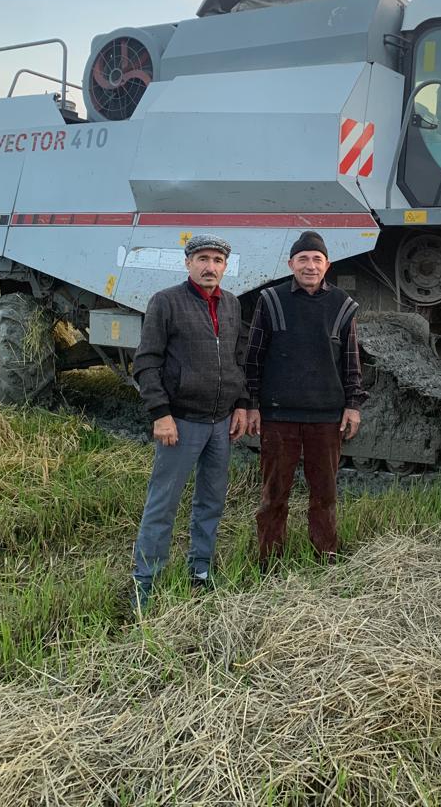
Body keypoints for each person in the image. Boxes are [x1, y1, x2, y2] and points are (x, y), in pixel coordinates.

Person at [131, 234, 248, 608]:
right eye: (202, 259)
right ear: (188, 263)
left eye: (217, 260)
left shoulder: (232, 305)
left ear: (225, 266)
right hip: (180, 423)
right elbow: (146, 362)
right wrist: (160, 413)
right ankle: (145, 583)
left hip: (220, 424)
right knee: (163, 504)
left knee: (211, 501)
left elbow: (237, 359)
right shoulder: (166, 302)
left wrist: (242, 403)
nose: (210, 267)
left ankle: (200, 570)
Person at [245, 230, 366, 568]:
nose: (310, 266)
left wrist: (353, 405)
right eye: (303, 259)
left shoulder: (342, 304)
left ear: (327, 265)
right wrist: (252, 404)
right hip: (278, 416)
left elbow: (351, 360)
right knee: (274, 494)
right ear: (291, 264)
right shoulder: (271, 300)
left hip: (326, 417)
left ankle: (325, 556)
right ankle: (270, 561)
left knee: (324, 494)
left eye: (316, 259)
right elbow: (253, 356)